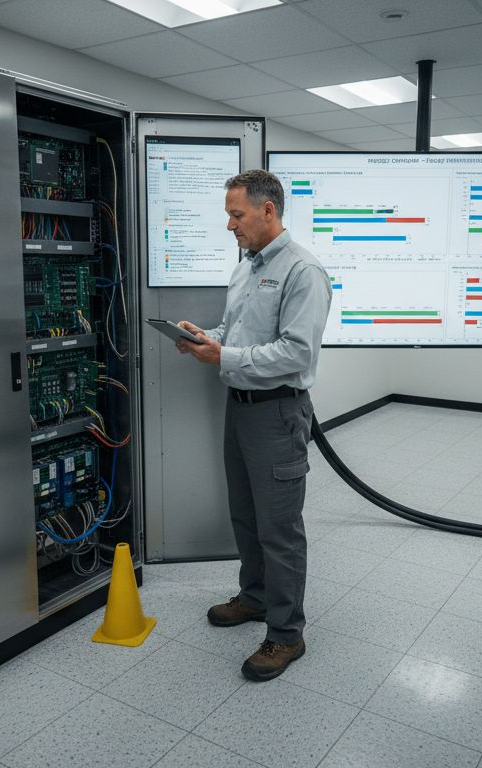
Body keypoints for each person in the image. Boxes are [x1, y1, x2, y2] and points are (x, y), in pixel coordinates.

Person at [175, 169, 332, 681]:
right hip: (239, 409)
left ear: (268, 211)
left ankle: (287, 635)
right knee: (244, 516)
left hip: (278, 413)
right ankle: (257, 598)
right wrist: (207, 338)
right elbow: (240, 333)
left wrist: (225, 354)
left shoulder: (303, 272)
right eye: (228, 214)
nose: (229, 225)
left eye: (236, 214)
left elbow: (295, 352)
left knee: (279, 530)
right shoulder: (247, 267)